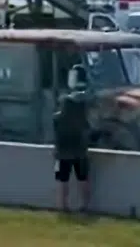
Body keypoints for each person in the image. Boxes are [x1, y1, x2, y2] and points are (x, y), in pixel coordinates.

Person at [54, 65, 92, 213]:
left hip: (64, 149)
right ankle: (84, 206)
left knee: (62, 180)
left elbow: (57, 119)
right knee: (83, 178)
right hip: (80, 148)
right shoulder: (86, 101)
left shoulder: (66, 101)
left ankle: (63, 206)